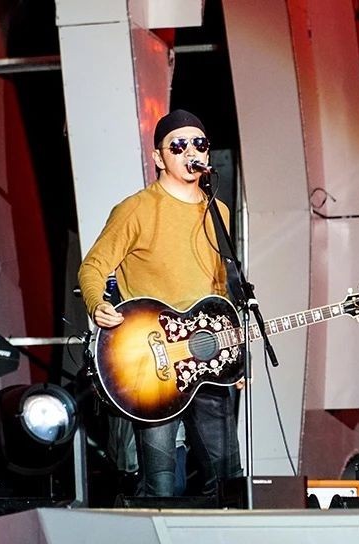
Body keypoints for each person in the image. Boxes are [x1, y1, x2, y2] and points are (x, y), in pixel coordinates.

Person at [78, 109, 242, 498]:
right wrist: (97, 303)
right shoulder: (136, 208)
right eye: (178, 146)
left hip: (207, 356)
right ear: (158, 157)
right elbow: (93, 266)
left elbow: (220, 289)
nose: (191, 152)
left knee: (227, 479)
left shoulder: (217, 211)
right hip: (154, 363)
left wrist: (233, 351)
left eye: (199, 144)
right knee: (162, 483)